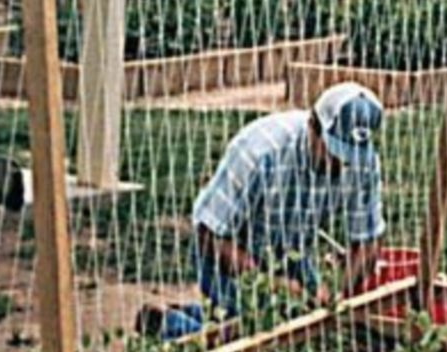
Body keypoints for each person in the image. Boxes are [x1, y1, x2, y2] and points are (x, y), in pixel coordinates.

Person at [151, 82, 386, 339]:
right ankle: (169, 326)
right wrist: (273, 285)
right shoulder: (260, 151)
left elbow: (367, 243)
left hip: (289, 252)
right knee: (250, 338)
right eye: (333, 151)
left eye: (349, 156)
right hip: (227, 253)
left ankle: (201, 315)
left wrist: (338, 297)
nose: (341, 163)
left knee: (309, 327)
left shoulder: (363, 163)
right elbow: (208, 233)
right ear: (312, 126)